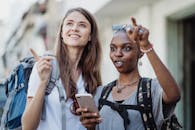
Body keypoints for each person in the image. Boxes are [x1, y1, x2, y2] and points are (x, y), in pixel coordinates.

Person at [77, 17, 181, 130]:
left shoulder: (151, 90)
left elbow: (173, 95)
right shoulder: (100, 94)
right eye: (113, 48)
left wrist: (146, 46)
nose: (117, 54)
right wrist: (90, 126)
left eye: (126, 48)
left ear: (140, 52)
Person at [21, 7, 102, 130]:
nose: (74, 28)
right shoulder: (46, 65)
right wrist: (43, 82)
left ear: (90, 36)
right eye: (69, 23)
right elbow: (27, 127)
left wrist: (91, 125)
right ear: (62, 33)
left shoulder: (91, 74)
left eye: (82, 25)